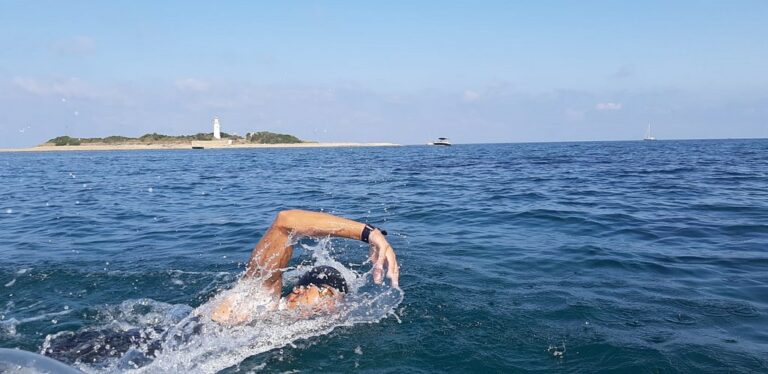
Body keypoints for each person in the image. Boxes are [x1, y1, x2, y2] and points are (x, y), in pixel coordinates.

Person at [210, 209, 399, 324]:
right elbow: (285, 222)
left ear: (337, 304)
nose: (299, 291)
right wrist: (370, 234)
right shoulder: (259, 301)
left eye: (311, 288)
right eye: (302, 287)